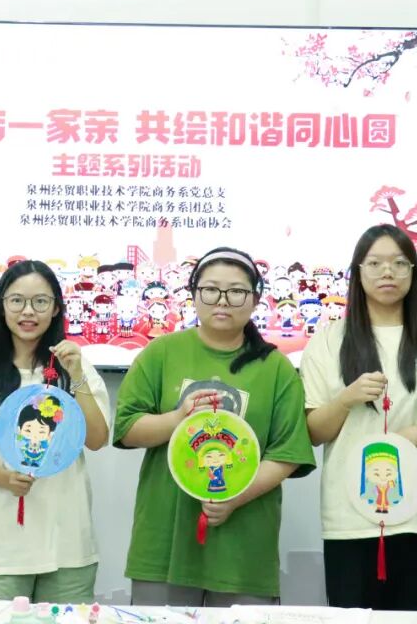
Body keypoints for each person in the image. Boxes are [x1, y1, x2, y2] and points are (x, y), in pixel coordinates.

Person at [114, 246, 316, 605]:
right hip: (164, 542)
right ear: (193, 294)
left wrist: (234, 499)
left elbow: (287, 452)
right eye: (210, 289)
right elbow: (127, 428)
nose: (222, 300)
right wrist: (178, 418)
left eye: (236, 291)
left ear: (255, 299)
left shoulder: (277, 369)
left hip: (243, 549)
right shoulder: (161, 352)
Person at [301, 224, 417, 609]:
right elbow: (313, 431)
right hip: (349, 512)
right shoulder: (329, 340)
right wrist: (345, 399)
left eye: (399, 263)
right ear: (358, 273)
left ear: (414, 272)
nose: (387, 272)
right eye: (375, 263)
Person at [0, 260, 110, 603]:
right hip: (1, 550)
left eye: (40, 301)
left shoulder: (75, 369)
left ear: (56, 308)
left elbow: (97, 439)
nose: (28, 311)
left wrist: (76, 375)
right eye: (17, 300)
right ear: (1, 306)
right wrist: (5, 479)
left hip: (68, 546)